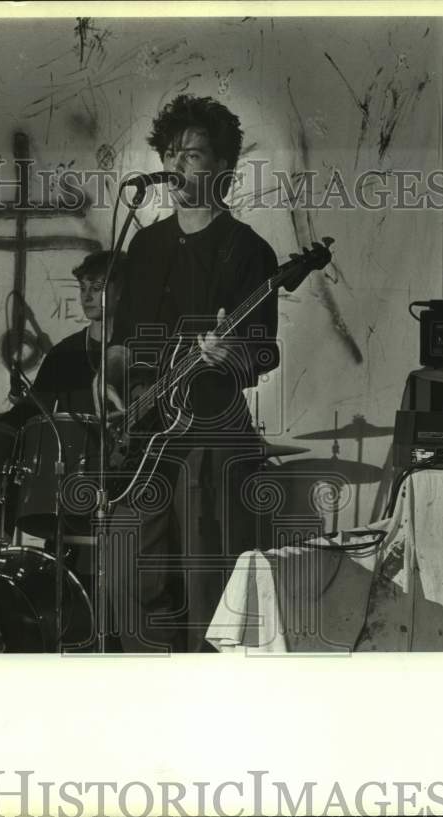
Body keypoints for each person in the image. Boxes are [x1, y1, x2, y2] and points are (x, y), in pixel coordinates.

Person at [102, 94, 280, 652]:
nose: (178, 166)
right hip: (144, 438)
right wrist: (110, 386)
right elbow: (124, 346)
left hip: (210, 440)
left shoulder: (247, 250)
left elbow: (263, 355)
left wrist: (230, 355)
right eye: (171, 153)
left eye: (194, 155)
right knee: (138, 581)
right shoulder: (145, 244)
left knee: (207, 587)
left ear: (223, 168)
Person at [0, 250, 126, 426]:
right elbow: (29, 412)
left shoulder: (136, 348)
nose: (86, 297)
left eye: (97, 288)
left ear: (121, 290)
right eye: (82, 288)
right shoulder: (64, 353)